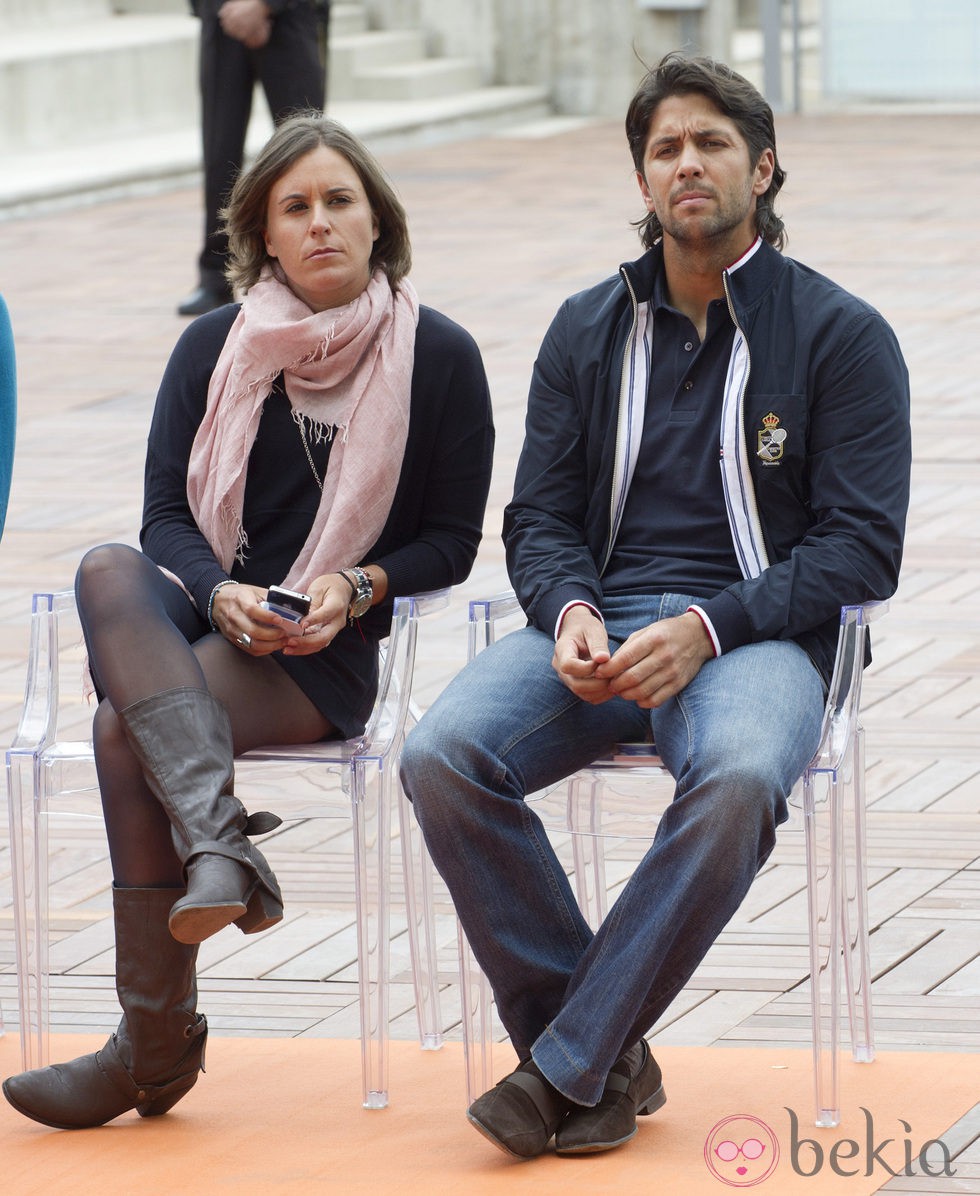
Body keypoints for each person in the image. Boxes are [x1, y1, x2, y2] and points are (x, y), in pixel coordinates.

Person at [400, 52, 911, 1161]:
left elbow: (861, 548)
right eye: (663, 148)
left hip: (755, 632)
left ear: (761, 167)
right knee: (439, 750)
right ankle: (597, 1052)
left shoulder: (840, 335)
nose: (685, 162)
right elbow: (533, 516)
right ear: (641, 183)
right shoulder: (585, 330)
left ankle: (565, 1062)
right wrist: (569, 606)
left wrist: (710, 626)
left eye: (709, 142)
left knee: (733, 779)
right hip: (600, 622)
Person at [3, 112, 494, 1130]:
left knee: (113, 729)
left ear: (376, 220)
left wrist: (355, 587)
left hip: (320, 654)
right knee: (107, 566)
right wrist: (218, 591)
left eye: (338, 200)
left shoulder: (438, 355)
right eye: (295, 206)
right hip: (203, 622)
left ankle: (151, 1044)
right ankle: (218, 849)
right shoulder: (212, 348)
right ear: (263, 234)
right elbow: (164, 517)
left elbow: (449, 539)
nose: (319, 222)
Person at [177, 0, 329, 316]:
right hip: (221, 19)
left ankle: (311, 272)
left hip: (292, 17)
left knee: (306, 148)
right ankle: (216, 276)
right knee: (220, 152)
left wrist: (264, 6)